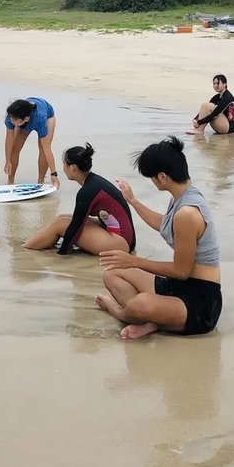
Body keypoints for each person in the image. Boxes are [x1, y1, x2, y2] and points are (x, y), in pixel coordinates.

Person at [95, 136, 222, 340]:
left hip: (200, 303)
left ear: (162, 177)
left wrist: (134, 261)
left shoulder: (188, 213)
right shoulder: (183, 197)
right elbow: (164, 224)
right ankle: (150, 321)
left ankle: (123, 313)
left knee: (140, 304)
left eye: (152, 177)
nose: (153, 182)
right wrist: (133, 201)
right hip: (178, 287)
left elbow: (181, 271)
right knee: (112, 273)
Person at [22, 143, 136, 256]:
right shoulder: (94, 182)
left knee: (61, 224)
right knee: (62, 218)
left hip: (120, 242)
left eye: (64, 164)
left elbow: (76, 228)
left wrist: (61, 254)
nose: (63, 168)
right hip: (125, 238)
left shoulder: (88, 191)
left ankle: (25, 249)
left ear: (73, 168)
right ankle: (29, 244)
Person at [4, 97, 59, 188]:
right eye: (11, 119)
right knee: (15, 148)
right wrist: (7, 161)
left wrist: (53, 174)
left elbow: (47, 149)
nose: (11, 121)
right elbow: (9, 140)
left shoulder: (40, 118)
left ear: (26, 119)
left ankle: (41, 180)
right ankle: (10, 181)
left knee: (42, 148)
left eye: (14, 120)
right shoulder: (11, 117)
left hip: (48, 115)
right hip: (24, 115)